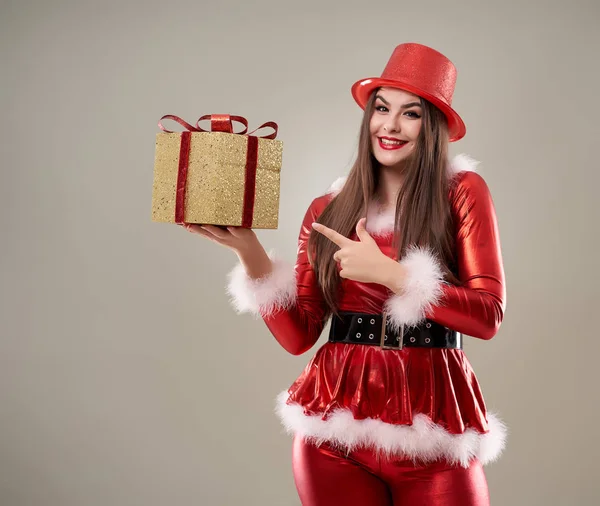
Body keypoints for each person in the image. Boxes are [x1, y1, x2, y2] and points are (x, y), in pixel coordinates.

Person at [184, 42, 507, 506]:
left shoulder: (461, 193)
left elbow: (488, 316)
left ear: (432, 126)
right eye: (381, 108)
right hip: (333, 430)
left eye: (410, 113)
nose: (390, 126)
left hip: (434, 425)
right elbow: (300, 335)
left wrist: (394, 276)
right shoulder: (327, 210)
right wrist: (248, 251)